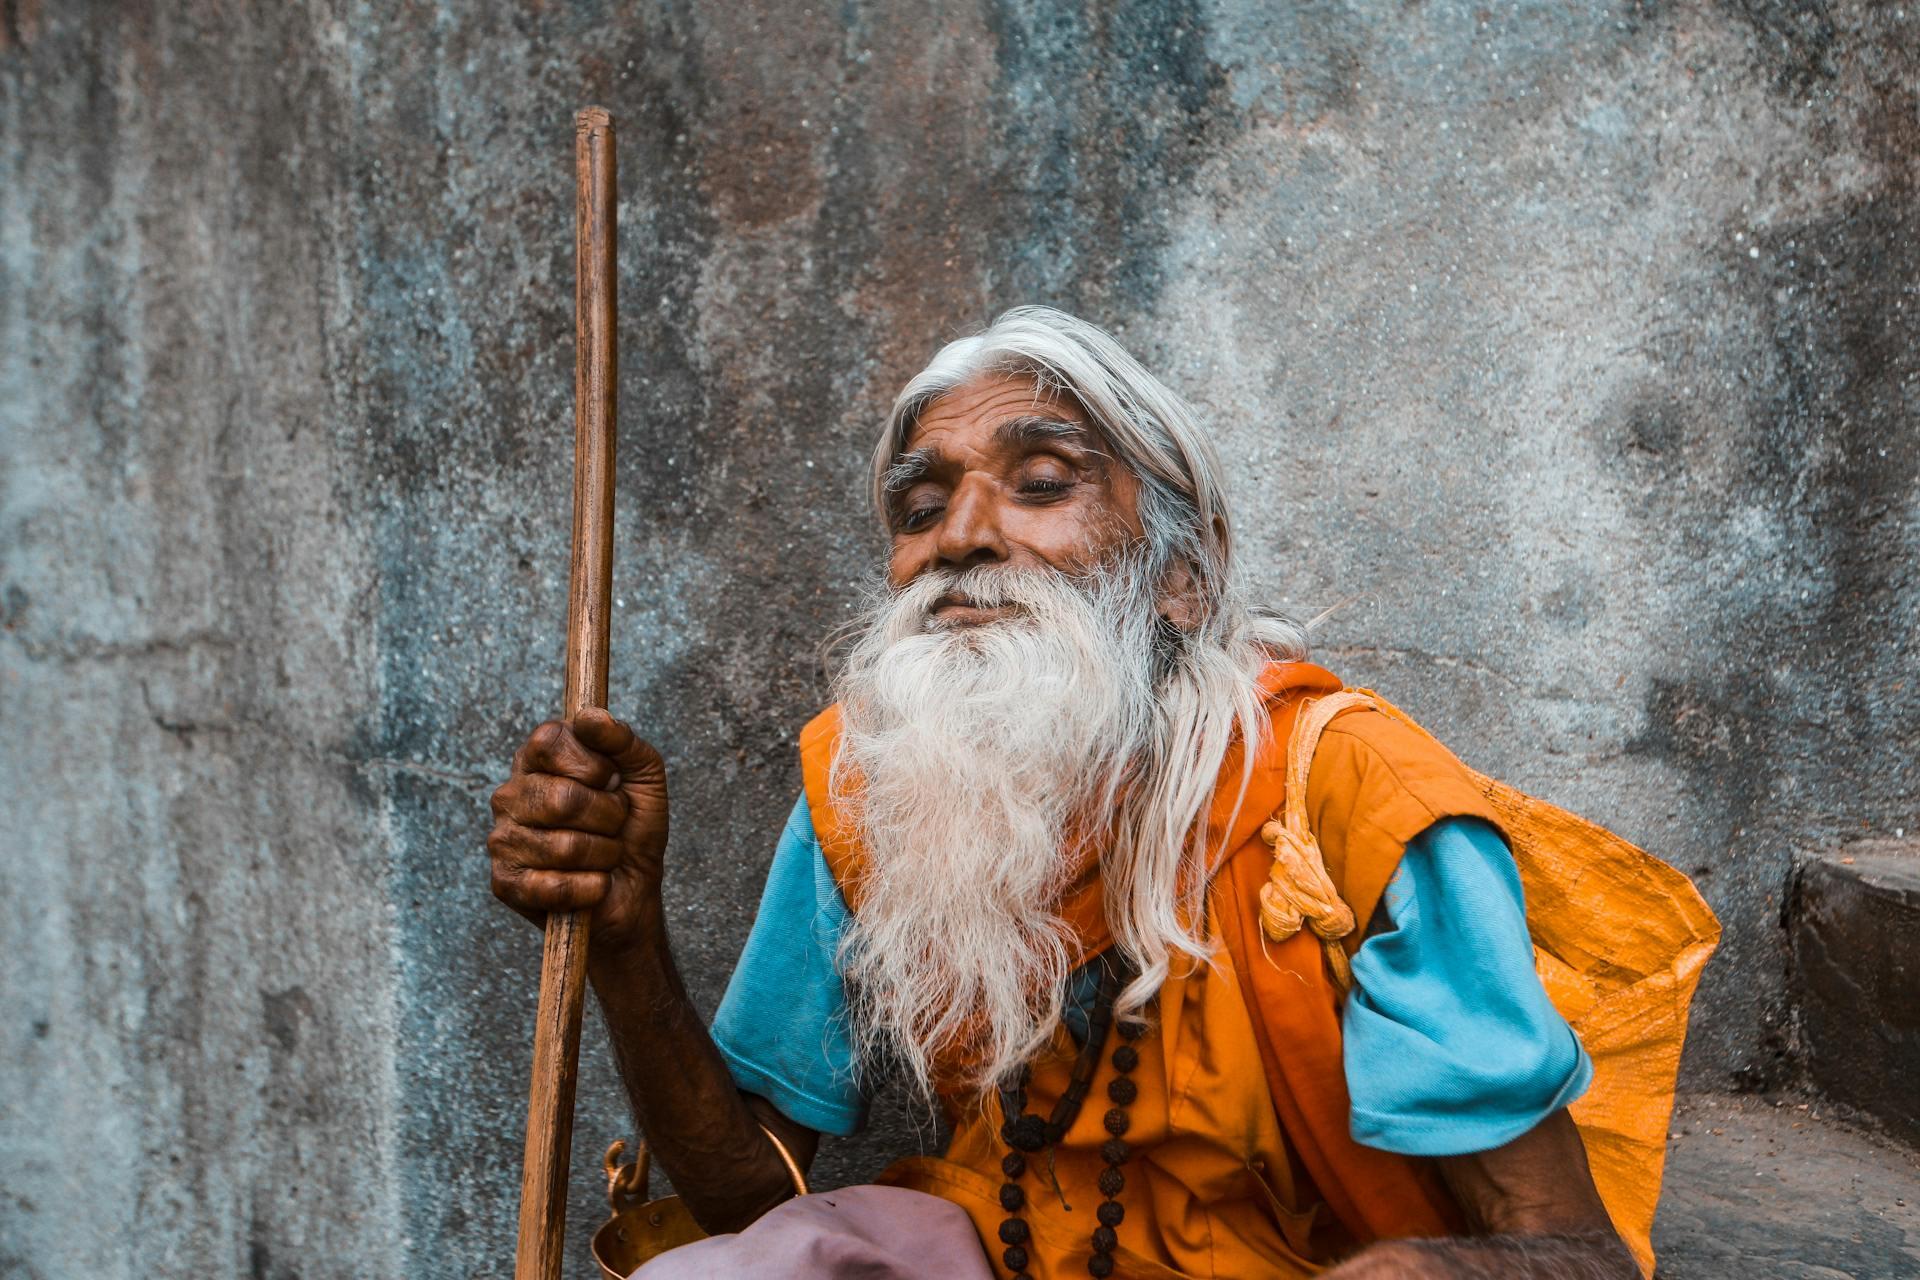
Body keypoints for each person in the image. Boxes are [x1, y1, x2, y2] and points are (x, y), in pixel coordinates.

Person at [487, 307, 1641, 1279]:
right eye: (921, 505)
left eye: (1041, 484)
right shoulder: (874, 776)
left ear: (1182, 579)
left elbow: (1575, 1254)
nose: (963, 536)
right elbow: (755, 1196)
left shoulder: (1347, 793)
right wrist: (626, 937)